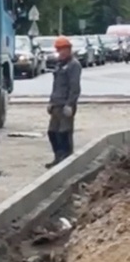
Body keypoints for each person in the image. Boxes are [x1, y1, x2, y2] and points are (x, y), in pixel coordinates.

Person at [46, 35, 82, 168]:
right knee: (52, 132)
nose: (60, 52)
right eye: (58, 49)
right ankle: (58, 157)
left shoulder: (74, 65)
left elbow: (75, 87)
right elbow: (56, 85)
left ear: (68, 50)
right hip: (56, 104)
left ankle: (66, 160)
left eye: (62, 49)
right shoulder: (59, 65)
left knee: (64, 133)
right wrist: (51, 101)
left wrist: (70, 104)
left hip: (65, 105)